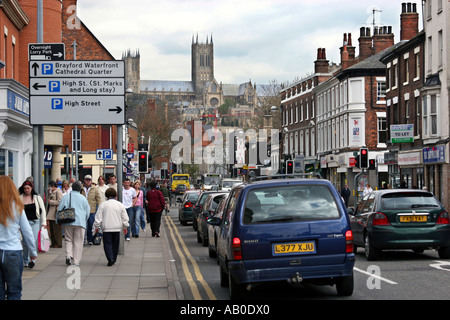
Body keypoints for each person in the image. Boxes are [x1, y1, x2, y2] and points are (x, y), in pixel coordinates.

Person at [0, 176, 37, 300]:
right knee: (14, 291)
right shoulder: (17, 207)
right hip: (13, 251)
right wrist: (32, 252)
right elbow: (27, 232)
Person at [93, 188, 129, 266]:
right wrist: (125, 226)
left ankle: (110, 258)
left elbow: (98, 217)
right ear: (115, 195)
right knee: (115, 244)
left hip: (106, 228)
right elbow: (125, 217)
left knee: (107, 243)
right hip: (117, 228)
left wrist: (96, 226)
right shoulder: (120, 205)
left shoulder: (103, 205)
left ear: (106, 196)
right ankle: (114, 258)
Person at [57, 181, 90, 266]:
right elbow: (88, 211)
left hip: (68, 221)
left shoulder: (66, 197)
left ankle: (68, 255)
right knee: (78, 242)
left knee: (68, 239)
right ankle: (76, 261)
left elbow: (59, 209)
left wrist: (58, 221)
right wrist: (84, 220)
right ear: (80, 189)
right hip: (80, 222)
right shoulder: (83, 198)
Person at [18, 180, 46, 268]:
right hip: (24, 223)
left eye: (28, 188)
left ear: (31, 188)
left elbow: (43, 211)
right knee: (25, 242)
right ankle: (25, 260)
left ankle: (32, 260)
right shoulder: (20, 198)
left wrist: (44, 222)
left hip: (35, 222)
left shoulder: (37, 197)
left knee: (32, 241)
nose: (26, 190)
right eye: (25, 188)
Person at [82, 175, 102, 245]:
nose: (88, 181)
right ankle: (83, 240)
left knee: (90, 225)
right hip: (82, 210)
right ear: (84, 180)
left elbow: (98, 198)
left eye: (89, 180)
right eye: (86, 180)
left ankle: (90, 239)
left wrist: (100, 207)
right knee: (83, 226)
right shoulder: (81, 188)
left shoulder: (95, 189)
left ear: (91, 181)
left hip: (91, 209)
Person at [47, 180, 63, 248]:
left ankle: (58, 243)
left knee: (56, 228)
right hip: (51, 212)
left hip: (55, 212)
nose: (49, 188)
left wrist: (51, 202)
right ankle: (53, 242)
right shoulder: (52, 192)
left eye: (50, 187)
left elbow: (60, 201)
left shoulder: (58, 191)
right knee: (52, 229)